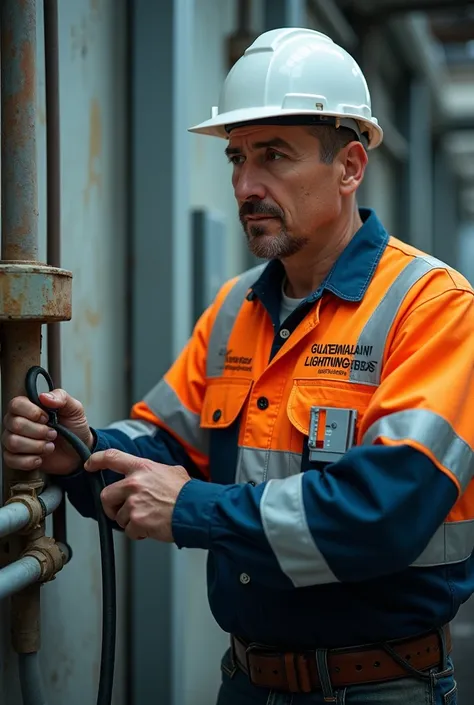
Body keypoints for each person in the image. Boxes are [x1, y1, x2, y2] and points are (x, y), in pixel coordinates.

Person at [2, 27, 473, 705]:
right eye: (237, 157)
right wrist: (82, 448)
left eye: (274, 156)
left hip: (383, 685)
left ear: (349, 166)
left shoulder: (433, 308)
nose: (246, 184)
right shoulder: (235, 311)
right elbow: (168, 442)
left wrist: (193, 508)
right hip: (247, 682)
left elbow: (385, 512)